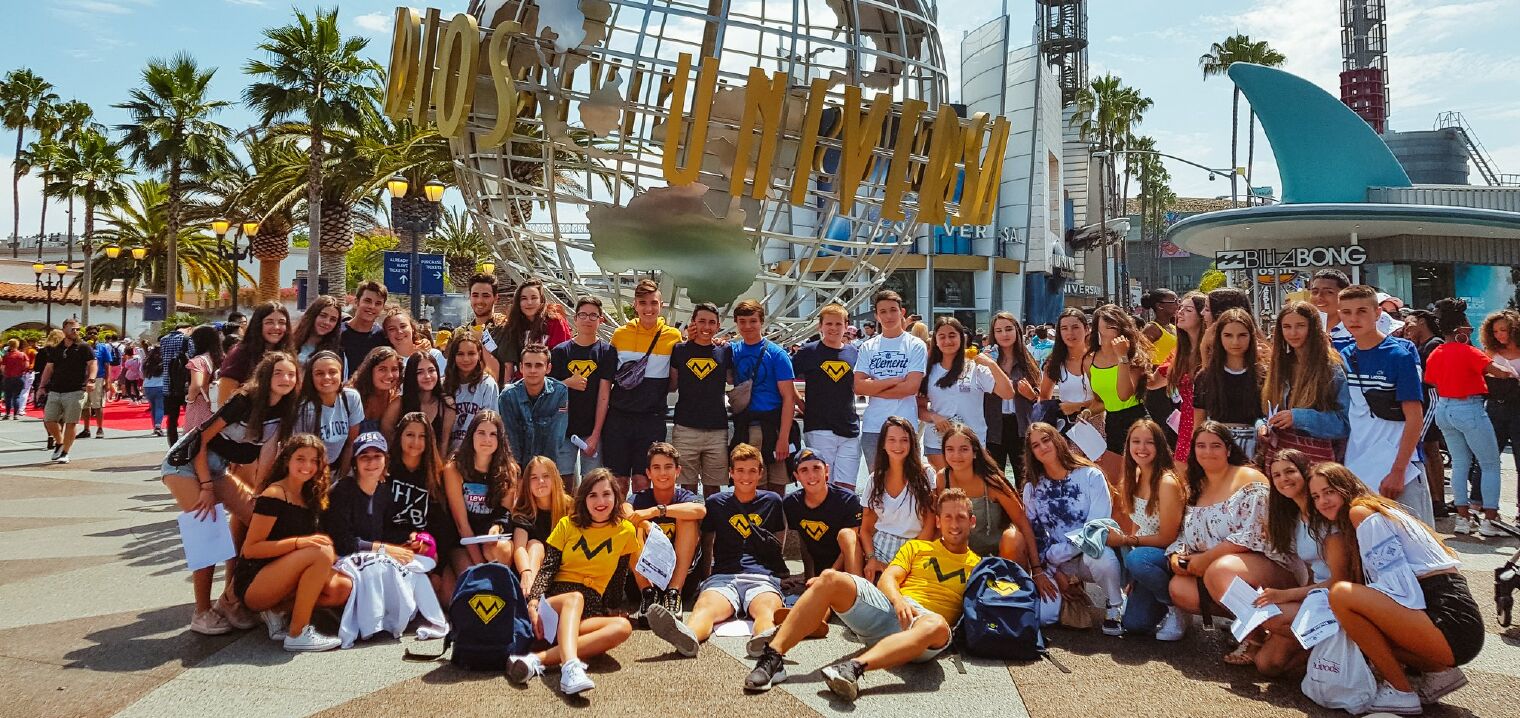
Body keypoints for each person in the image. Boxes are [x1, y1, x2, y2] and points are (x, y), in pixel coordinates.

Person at [742, 489, 982, 699]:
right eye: (948, 517)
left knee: (938, 625)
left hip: (926, 630)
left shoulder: (980, 566)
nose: (954, 524)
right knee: (830, 578)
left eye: (960, 517)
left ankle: (853, 668)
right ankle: (773, 657)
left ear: (971, 521)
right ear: (938, 521)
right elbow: (889, 578)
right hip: (892, 610)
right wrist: (898, 601)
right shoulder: (918, 547)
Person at [1310, 463, 1481, 714]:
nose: (1323, 501)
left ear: (1346, 488)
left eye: (1329, 492)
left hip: (1449, 621)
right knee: (1354, 617)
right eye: (1316, 496)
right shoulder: (1375, 510)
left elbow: (1398, 587)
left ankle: (1401, 691)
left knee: (1342, 597)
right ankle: (1437, 671)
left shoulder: (1361, 512)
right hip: (1455, 614)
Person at [161, 351, 299, 636]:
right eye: (278, 373)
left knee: (261, 521)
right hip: (185, 464)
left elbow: (267, 456)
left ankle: (231, 599)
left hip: (219, 469)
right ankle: (201, 611)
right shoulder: (244, 401)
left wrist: (264, 496)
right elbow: (200, 439)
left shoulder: (283, 410)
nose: (285, 379)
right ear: (265, 375)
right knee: (208, 529)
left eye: (291, 374)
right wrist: (207, 488)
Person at [1166, 422, 1295, 664]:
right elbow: (1185, 534)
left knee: (1220, 571)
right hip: (1215, 567)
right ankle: (1252, 622)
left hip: (1265, 563)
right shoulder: (1197, 486)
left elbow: (1254, 534)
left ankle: (1255, 635)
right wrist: (1177, 556)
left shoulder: (1249, 477)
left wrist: (1206, 559)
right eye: (1201, 446)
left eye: (1215, 446)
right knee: (1179, 588)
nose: (1207, 452)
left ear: (1228, 449)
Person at [645, 444, 788, 659]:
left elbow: (777, 540)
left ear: (760, 473)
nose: (745, 476)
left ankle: (763, 641)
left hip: (761, 576)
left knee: (765, 611)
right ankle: (688, 636)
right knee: (705, 609)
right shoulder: (716, 503)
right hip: (723, 575)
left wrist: (780, 574)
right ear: (730, 473)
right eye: (739, 470)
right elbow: (708, 542)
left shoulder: (772, 501)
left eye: (751, 470)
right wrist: (706, 577)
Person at [508, 468, 640, 697]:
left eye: (606, 494)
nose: (601, 501)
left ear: (616, 497)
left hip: (590, 609)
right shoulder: (568, 525)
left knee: (622, 627)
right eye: (593, 495)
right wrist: (533, 603)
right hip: (557, 603)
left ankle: (534, 661)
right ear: (584, 499)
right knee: (575, 598)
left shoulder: (626, 531)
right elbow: (548, 568)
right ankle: (570, 669)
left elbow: (619, 576)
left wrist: (613, 608)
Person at [234, 434, 350, 652]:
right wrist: (298, 543)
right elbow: (250, 549)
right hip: (255, 581)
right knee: (319, 552)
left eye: (314, 460)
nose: (307, 465)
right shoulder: (275, 494)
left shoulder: (311, 494)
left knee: (341, 588)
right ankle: (298, 633)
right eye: (301, 458)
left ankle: (278, 610)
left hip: (287, 574)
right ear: (287, 460)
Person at [1250, 449, 1352, 677]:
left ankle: (1345, 644)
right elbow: (1310, 570)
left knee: (1270, 616)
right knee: (1266, 664)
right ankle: (1320, 647)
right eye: (1276, 475)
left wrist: (1286, 596)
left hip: (1338, 597)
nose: (1283, 479)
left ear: (1305, 472)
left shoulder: (1326, 516)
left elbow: (1339, 580)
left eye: (1290, 471)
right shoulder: (1293, 517)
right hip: (1316, 595)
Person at [1339, 284, 1433, 525]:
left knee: (1417, 542)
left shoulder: (1398, 356)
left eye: (1362, 311)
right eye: (1347, 312)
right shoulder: (1342, 357)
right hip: (1357, 466)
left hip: (1400, 467)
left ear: (1378, 314)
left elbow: (1414, 417)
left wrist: (1399, 470)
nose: (1354, 318)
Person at [1022, 421, 1124, 635]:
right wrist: (1052, 570)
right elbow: (1035, 533)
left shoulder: (1090, 476)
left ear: (1057, 440)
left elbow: (1097, 525)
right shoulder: (1032, 487)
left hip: (1088, 552)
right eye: (1036, 445)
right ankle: (1069, 596)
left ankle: (1115, 604)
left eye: (1046, 439)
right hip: (1056, 565)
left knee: (1101, 557)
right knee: (1045, 617)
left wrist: (1057, 555)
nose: (1043, 447)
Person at [1426, 301, 1517, 535]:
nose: (1470, 330)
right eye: (1468, 327)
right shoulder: (1470, 352)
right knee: (1489, 464)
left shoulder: (1436, 351)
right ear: (1460, 330)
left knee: (1459, 464)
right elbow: (1501, 372)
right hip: (1470, 408)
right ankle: (1490, 519)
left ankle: (1463, 519)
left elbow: (1431, 380)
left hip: (1444, 408)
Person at [1107, 420, 1187, 638]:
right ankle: (1149, 594)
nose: (1141, 448)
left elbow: (1168, 537)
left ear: (1159, 446)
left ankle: (1176, 606)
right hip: (1144, 555)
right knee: (1135, 625)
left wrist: (1127, 542)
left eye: (1149, 442)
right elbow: (1137, 524)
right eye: (1136, 442)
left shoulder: (1167, 482)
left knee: (1136, 558)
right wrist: (1133, 576)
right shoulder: (1134, 476)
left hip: (1169, 553)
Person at [604, 278, 682, 492]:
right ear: (635, 305)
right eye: (643, 303)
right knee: (618, 482)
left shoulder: (673, 336)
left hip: (651, 418)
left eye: (653, 303)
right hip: (619, 418)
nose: (649, 308)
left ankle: (642, 524)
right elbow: (608, 379)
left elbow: (675, 378)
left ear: (661, 305)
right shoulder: (620, 335)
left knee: (643, 481)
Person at [1258, 300, 1351, 467]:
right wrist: (1263, 427)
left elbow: (1344, 423)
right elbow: (1268, 412)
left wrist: (1298, 417)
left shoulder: (1331, 368)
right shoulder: (1279, 365)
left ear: (1313, 328)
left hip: (1317, 464)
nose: (1293, 333)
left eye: (1300, 325)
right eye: (1286, 327)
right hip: (1281, 461)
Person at [917, 316, 1014, 469]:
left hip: (972, 442)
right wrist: (933, 416)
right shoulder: (928, 370)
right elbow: (918, 406)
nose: (948, 341)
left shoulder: (975, 367)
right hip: (937, 441)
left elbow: (1008, 393)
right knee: (943, 488)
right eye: (942, 336)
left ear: (962, 338)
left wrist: (991, 365)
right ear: (935, 340)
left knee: (971, 490)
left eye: (952, 335)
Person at [936, 424, 1040, 566]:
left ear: (975, 452)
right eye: (950, 449)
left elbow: (1022, 521)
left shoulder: (992, 481)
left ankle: (1015, 581)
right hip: (960, 553)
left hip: (997, 553)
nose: (956, 455)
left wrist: (1037, 568)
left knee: (1013, 538)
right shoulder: (943, 478)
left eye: (964, 449)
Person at [628, 442, 707, 617]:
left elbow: (700, 510)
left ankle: (673, 593)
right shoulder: (640, 498)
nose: (663, 473)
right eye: (656, 467)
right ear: (648, 473)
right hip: (645, 578)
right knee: (632, 523)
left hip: (682, 579)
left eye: (668, 467)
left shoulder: (686, 497)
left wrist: (657, 511)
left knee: (687, 518)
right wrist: (644, 522)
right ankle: (647, 593)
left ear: (678, 471)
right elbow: (624, 511)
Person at [729, 299, 799, 492]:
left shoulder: (777, 355)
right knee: (750, 487)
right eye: (742, 321)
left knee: (777, 486)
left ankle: (776, 522)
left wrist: (783, 437)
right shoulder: (733, 351)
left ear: (762, 322)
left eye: (753, 321)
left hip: (773, 427)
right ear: (736, 323)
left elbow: (788, 398)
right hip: (746, 428)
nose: (748, 326)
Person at [854, 290, 928, 473]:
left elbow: (911, 387)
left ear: (902, 312)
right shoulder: (868, 346)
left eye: (893, 310)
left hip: (905, 426)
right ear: (877, 316)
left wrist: (874, 387)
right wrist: (893, 381)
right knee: (876, 484)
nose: (889, 316)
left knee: (907, 482)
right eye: (883, 311)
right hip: (873, 426)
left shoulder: (915, 345)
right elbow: (858, 386)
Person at [791, 303, 862, 489]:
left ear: (846, 326)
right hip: (819, 427)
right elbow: (785, 379)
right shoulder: (808, 352)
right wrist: (799, 403)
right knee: (823, 485)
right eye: (829, 324)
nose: (833, 328)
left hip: (850, 427)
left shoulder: (854, 353)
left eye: (838, 324)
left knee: (847, 487)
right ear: (820, 326)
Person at [442, 410, 520, 577]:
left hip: (491, 537)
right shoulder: (454, 468)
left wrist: (497, 527)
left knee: (500, 550)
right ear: (471, 435)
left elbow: (505, 514)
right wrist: (481, 566)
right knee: (472, 576)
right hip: (462, 540)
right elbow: (461, 524)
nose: (487, 439)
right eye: (481, 433)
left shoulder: (509, 470)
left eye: (493, 434)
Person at [860, 416, 937, 581]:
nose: (898, 446)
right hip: (880, 547)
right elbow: (866, 529)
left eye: (904, 440)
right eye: (892, 440)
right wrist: (872, 558)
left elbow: (930, 523)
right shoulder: (874, 480)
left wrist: (908, 560)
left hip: (915, 547)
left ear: (912, 443)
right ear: (883, 444)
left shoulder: (926, 475)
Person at [550, 296, 615, 486]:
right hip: (564, 429)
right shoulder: (561, 351)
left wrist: (595, 434)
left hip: (591, 429)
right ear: (575, 318)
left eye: (593, 315)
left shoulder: (606, 351)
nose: (588, 319)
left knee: (593, 482)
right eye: (583, 315)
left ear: (600, 320)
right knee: (564, 481)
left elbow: (604, 395)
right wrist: (567, 383)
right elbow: (549, 389)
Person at [323, 432, 418, 562]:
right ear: (355, 463)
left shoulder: (384, 492)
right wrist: (384, 549)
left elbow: (385, 533)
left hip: (373, 560)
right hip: (340, 561)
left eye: (377, 456)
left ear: (386, 461)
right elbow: (342, 542)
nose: (371, 462)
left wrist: (410, 538)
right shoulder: (342, 491)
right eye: (364, 457)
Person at [668, 302, 732, 494]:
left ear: (718, 325)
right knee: (687, 486)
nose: (706, 327)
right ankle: (691, 523)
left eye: (711, 322)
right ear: (693, 322)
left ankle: (711, 524)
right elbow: (672, 385)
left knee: (713, 486)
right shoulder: (679, 350)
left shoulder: (725, 351)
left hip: (717, 429)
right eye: (701, 321)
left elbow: (733, 378)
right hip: (686, 427)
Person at [1087, 304, 1152, 476]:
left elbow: (1124, 395)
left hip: (1136, 419)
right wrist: (1087, 412)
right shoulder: (1089, 360)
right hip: (1112, 422)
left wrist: (1122, 357)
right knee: (1116, 480)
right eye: (1106, 320)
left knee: (1143, 476)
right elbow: (1101, 400)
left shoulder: (1133, 355)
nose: (1111, 324)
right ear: (1097, 327)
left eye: (1115, 320)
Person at [1192, 307, 1266, 458]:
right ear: (1219, 337)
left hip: (1255, 450)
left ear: (1251, 336)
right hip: (1215, 448)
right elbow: (1198, 423)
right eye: (1228, 335)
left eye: (1242, 335)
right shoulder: (1205, 377)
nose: (1235, 342)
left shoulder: (1264, 374)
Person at [783, 448, 863, 582]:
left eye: (816, 468)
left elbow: (852, 545)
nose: (811, 475)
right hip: (821, 572)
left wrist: (829, 574)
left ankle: (859, 594)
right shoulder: (791, 504)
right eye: (804, 470)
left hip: (849, 568)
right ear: (796, 476)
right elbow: (804, 544)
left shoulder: (848, 500)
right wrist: (808, 578)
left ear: (826, 470)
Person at [382, 412, 446, 572]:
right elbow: (376, 521)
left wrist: (438, 571)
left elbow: (441, 526)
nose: (416, 441)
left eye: (422, 436)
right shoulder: (384, 471)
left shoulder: (435, 476)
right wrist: (405, 538)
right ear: (400, 436)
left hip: (424, 548)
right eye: (410, 434)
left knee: (446, 589)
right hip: (389, 546)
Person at [288, 350, 363, 479]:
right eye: (319, 373)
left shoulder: (351, 398)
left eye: (333, 372)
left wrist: (341, 480)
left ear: (341, 374)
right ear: (311, 378)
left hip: (337, 469)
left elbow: (351, 443)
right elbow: (298, 452)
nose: (327, 377)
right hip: (308, 471)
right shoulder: (304, 408)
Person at [508, 455, 575, 600]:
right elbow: (519, 547)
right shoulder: (524, 511)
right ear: (527, 483)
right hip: (533, 569)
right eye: (534, 477)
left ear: (555, 478)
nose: (541, 482)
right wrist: (526, 572)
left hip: (563, 568)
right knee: (535, 545)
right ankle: (531, 597)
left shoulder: (570, 507)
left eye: (546, 476)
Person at [984, 311, 1040, 481]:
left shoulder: (1027, 360)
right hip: (993, 425)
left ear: (1017, 331)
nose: (1004, 334)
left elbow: (1041, 395)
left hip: (1021, 424)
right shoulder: (987, 359)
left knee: (1025, 478)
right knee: (996, 479)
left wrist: (1031, 395)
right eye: (998, 330)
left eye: (1008, 329)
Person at [1404, 309, 1448, 517]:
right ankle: (1436, 500)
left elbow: (1434, 377)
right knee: (1429, 447)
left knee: (1427, 446)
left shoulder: (1434, 344)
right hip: (1423, 398)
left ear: (1422, 321)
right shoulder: (1420, 346)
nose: (1406, 328)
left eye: (1409, 323)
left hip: (1430, 398)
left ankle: (1438, 500)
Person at [1478, 309, 1520, 514]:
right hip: (1495, 407)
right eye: (1495, 331)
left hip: (1517, 409)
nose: (1499, 335)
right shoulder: (1490, 352)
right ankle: (1477, 503)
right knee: (1487, 457)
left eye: (1504, 330)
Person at [499, 342, 569, 465]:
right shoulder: (507, 396)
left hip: (546, 464)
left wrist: (541, 470)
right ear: (521, 367)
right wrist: (518, 472)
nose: (532, 370)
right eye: (528, 365)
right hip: (516, 465)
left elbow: (555, 437)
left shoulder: (560, 392)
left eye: (538, 365)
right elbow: (510, 439)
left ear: (548, 368)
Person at [38, 319, 95, 464]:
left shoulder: (84, 347)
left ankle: (65, 452)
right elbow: (48, 368)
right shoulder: (57, 348)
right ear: (64, 329)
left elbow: (93, 364)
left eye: (77, 329)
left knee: (71, 422)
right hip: (56, 390)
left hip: (76, 390)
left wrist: (91, 380)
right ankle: (59, 442)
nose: (75, 332)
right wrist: (41, 387)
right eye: (72, 329)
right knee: (49, 419)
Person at [216, 302, 293, 407]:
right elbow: (223, 402)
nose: (276, 327)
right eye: (269, 322)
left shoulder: (288, 353)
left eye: (282, 322)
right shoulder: (239, 354)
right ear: (258, 324)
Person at [497, 277, 572, 382]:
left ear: (541, 300)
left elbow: (561, 357)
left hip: (549, 383)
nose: (529, 302)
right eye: (524, 298)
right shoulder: (514, 324)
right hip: (521, 383)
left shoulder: (555, 322)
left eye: (534, 298)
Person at [1038, 308, 1098, 427]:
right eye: (1064, 328)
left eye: (1075, 327)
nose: (1070, 333)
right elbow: (1044, 396)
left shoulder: (1097, 360)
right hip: (1065, 426)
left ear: (1086, 329)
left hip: (1096, 424)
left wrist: (1077, 406)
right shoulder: (1054, 362)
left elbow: (1104, 400)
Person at [1168, 291, 1210, 462]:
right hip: (1185, 424)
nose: (1180, 313)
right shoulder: (1180, 353)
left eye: (1188, 310)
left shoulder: (1209, 351)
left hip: (1206, 425)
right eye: (1180, 308)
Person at [381, 350, 454, 445]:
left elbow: (444, 443)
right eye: (420, 372)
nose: (427, 376)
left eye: (431, 370)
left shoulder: (446, 405)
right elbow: (386, 435)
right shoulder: (398, 404)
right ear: (411, 376)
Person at [443, 332, 499, 454]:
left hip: (476, 454)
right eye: (460, 354)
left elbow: (491, 425)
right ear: (453, 356)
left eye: (471, 353)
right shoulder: (443, 385)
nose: (466, 359)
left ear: (479, 354)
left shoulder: (487, 384)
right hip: (448, 453)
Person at [180, 326, 225, 446]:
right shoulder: (222, 358)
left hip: (201, 404)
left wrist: (190, 398)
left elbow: (197, 384)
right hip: (219, 404)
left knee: (196, 442)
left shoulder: (199, 360)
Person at [346, 346, 402, 435]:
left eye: (394, 369)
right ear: (369, 371)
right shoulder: (350, 396)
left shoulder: (396, 400)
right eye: (382, 369)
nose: (390, 375)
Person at [340, 281, 390, 379]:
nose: (372, 306)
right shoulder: (337, 333)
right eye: (367, 301)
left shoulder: (383, 339)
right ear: (356, 302)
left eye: (378, 303)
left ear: (382, 308)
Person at [383, 307, 446, 374]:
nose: (399, 331)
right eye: (392, 329)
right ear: (386, 334)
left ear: (412, 328)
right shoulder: (386, 361)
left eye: (403, 326)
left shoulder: (434, 355)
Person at [79, 329, 113, 439]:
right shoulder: (82, 346)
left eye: (94, 333)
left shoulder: (102, 347)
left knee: (97, 405)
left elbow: (107, 365)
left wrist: (108, 381)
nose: (92, 335)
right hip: (84, 379)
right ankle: (86, 429)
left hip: (98, 378)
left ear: (98, 335)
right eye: (90, 333)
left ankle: (100, 428)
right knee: (85, 405)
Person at [290, 294, 344, 365]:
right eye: (323, 316)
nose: (326, 322)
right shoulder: (289, 341)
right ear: (313, 315)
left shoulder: (336, 353)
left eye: (333, 319)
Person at [2, 337, 31, 419]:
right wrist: (22, 371)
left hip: (8, 378)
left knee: (8, 396)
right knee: (17, 396)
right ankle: (15, 414)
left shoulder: (6, 355)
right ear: (17, 345)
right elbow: (27, 365)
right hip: (19, 377)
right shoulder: (22, 355)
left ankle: (7, 414)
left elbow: (2, 367)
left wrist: (5, 373)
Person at [143, 341, 166, 436]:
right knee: (160, 407)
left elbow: (142, 373)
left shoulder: (147, 362)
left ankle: (155, 426)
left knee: (153, 407)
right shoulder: (164, 361)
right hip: (161, 385)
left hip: (148, 386)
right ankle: (158, 425)